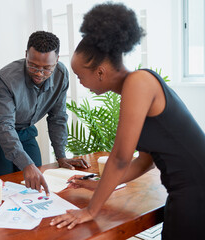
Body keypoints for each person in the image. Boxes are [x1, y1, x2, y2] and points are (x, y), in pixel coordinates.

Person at [50, 3, 205, 239]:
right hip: (188, 191)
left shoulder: (138, 82)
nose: (80, 82)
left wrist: (91, 210)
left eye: (81, 76)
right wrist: (96, 186)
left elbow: (121, 157)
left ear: (100, 72)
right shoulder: (137, 87)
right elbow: (145, 161)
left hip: (195, 194)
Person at [0, 31, 90, 194]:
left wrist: (61, 156)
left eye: (47, 68)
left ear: (57, 60)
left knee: (35, 181)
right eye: (33, 65)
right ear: (26, 55)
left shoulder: (61, 74)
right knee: (5, 186)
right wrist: (26, 164)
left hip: (26, 129)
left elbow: (57, 117)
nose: (39, 73)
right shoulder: (5, 79)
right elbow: (4, 127)